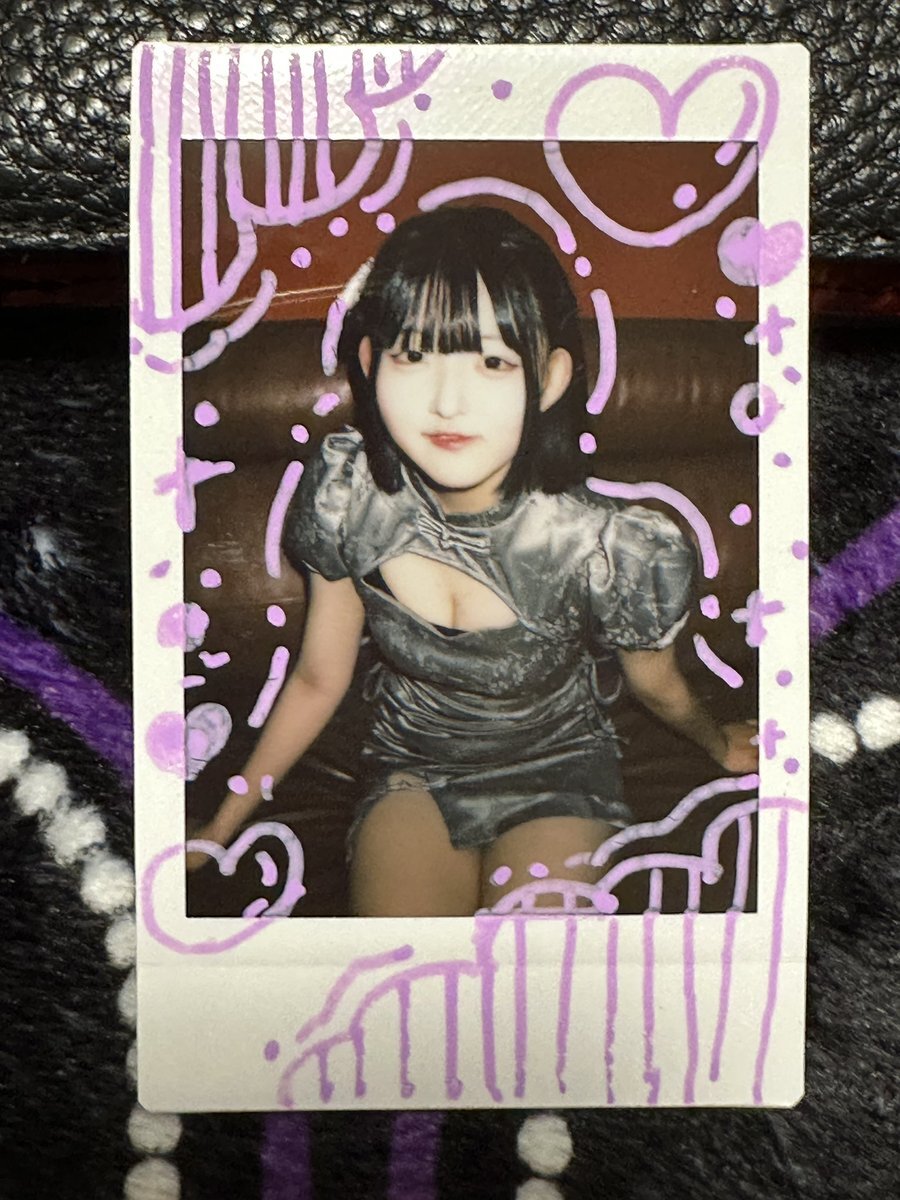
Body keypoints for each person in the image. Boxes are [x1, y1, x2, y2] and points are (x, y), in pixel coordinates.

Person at [187, 206, 757, 916]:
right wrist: (221, 827)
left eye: (492, 362)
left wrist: (716, 742)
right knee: (404, 964)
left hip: (559, 769)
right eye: (413, 355)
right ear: (370, 362)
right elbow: (316, 677)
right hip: (413, 766)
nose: (447, 403)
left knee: (533, 961)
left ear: (550, 378)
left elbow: (659, 685)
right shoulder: (347, 497)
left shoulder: (605, 546)